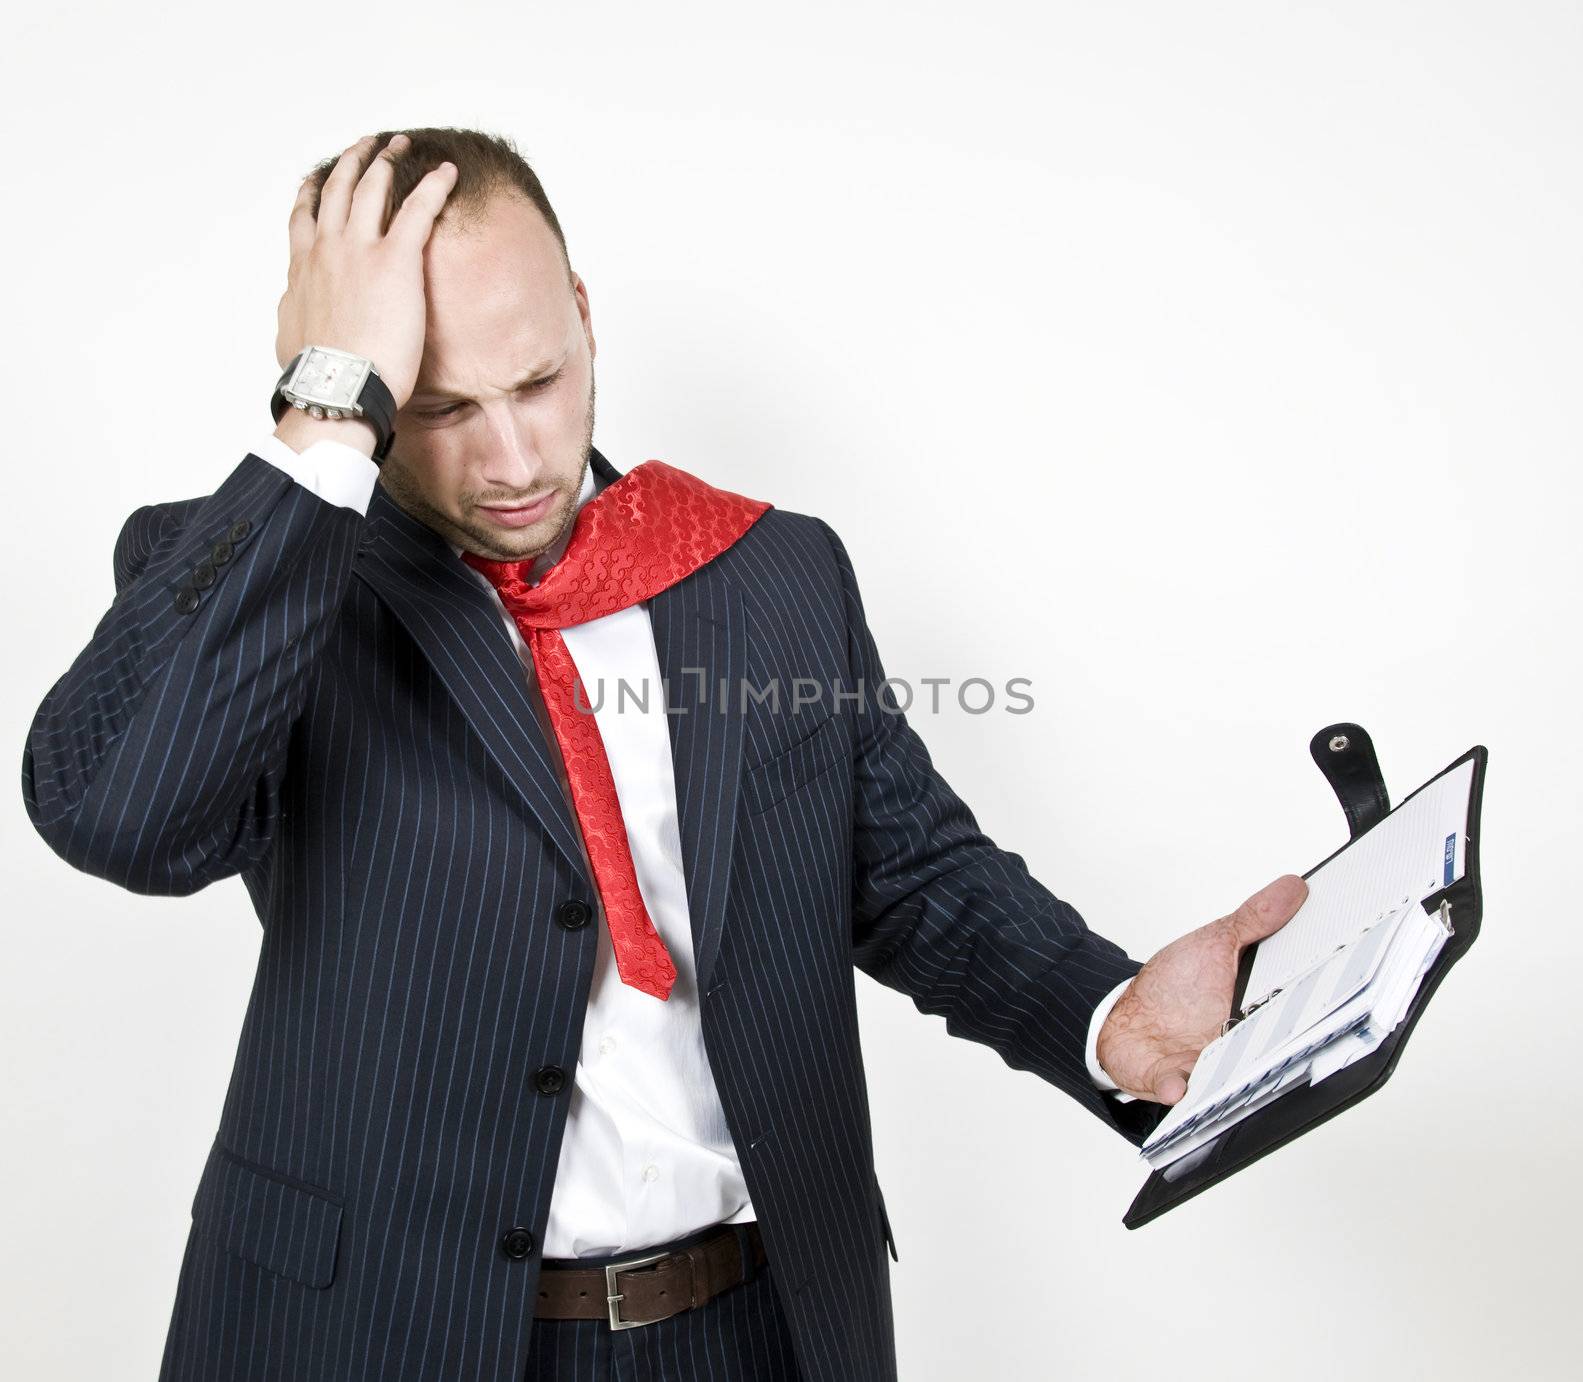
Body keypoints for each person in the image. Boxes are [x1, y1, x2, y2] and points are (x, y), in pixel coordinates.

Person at [20, 126, 1307, 1382]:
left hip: (755, 1325)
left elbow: (907, 874)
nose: (515, 458)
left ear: (582, 310)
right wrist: (324, 414)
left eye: (537, 381)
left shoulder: (768, 573)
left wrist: (1111, 1008)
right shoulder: (266, 582)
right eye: (436, 406)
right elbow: (123, 816)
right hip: (385, 1328)